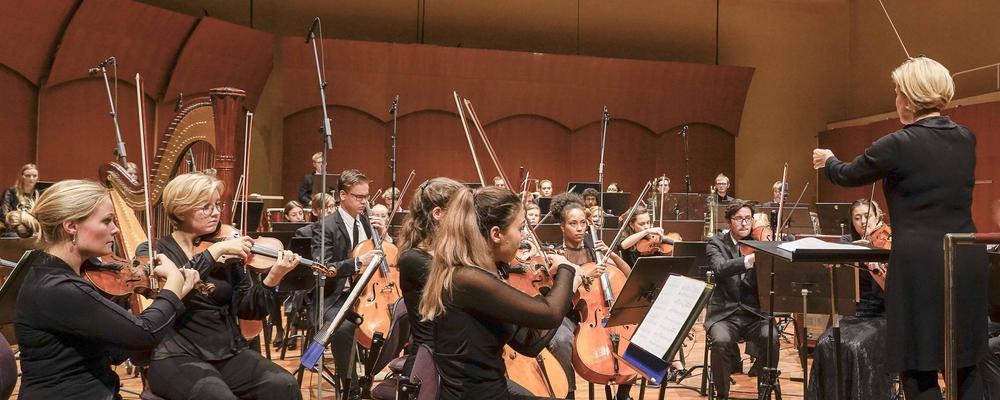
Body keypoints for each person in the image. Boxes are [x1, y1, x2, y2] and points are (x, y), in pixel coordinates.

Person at [813, 56, 988, 399]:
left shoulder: (896, 144)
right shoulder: (966, 138)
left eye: (897, 92)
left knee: (917, 366)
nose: (895, 100)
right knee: (964, 363)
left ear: (908, 98)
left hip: (920, 265)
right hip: (966, 258)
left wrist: (827, 160)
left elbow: (847, 175)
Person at [14, 179, 200, 399]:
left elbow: (114, 352)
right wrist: (173, 287)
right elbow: (144, 333)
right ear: (71, 226)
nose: (116, 229)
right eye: (106, 221)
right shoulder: (58, 288)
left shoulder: (65, 275)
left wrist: (174, 298)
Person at [143, 171, 302, 399]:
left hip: (226, 353)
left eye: (217, 204)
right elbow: (176, 280)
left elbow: (249, 309)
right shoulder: (155, 251)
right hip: (176, 355)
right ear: (180, 209)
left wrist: (273, 277)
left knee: (283, 385)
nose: (216, 212)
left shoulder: (227, 250)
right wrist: (214, 252)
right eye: (206, 206)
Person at [420, 185, 585, 399]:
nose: (524, 237)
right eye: (520, 228)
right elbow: (550, 313)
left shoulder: (475, 274)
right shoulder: (469, 279)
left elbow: (529, 342)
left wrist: (557, 289)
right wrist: (566, 269)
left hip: (487, 389)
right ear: (496, 234)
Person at [311, 169, 387, 397]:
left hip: (368, 295)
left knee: (396, 321)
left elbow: (384, 257)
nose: (365, 202)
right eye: (358, 197)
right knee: (344, 329)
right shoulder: (326, 226)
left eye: (366, 197)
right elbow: (322, 266)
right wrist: (356, 263)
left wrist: (383, 237)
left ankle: (372, 381)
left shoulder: (367, 222)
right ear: (342, 195)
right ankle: (351, 390)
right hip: (336, 296)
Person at [550, 192, 633, 399]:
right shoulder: (557, 255)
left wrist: (611, 253)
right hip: (569, 314)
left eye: (582, 223)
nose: (579, 228)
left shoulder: (594, 250)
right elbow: (558, 296)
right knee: (560, 340)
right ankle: (568, 392)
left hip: (600, 311)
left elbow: (628, 277)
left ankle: (623, 391)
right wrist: (584, 274)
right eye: (573, 224)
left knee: (631, 336)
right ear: (562, 227)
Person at [808, 199, 893, 399]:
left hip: (881, 314)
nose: (863, 221)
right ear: (852, 222)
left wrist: (876, 271)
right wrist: (853, 252)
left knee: (855, 346)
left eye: (868, 216)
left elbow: (892, 291)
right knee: (824, 343)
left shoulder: (888, 241)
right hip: (852, 312)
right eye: (858, 217)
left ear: (877, 216)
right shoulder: (847, 242)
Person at [704, 201, 779, 399]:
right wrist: (750, 260)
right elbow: (720, 269)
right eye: (739, 219)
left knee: (771, 337)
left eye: (748, 218)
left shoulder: (761, 243)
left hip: (754, 313)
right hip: (724, 314)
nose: (745, 223)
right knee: (720, 341)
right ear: (729, 221)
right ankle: (722, 395)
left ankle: (765, 392)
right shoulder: (716, 243)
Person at [396, 177, 464, 370]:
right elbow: (464, 292)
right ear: (438, 214)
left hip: (455, 361)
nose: (468, 220)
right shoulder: (415, 260)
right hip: (432, 368)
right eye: (462, 213)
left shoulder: (448, 255)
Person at [2, 163, 40, 237]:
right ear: (21, 177)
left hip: (34, 227)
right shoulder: (10, 192)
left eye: (34, 176)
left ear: (38, 177)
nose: (31, 178)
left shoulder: (38, 193)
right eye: (28, 176)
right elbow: (4, 215)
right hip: (14, 229)